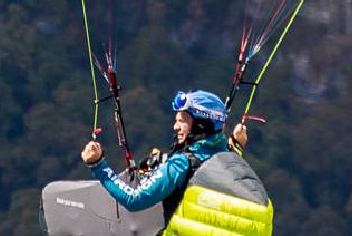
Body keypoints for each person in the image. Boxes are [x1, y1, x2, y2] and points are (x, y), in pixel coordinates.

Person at [80, 89, 249, 212]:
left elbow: (134, 199)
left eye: (182, 121)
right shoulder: (228, 157)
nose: (175, 127)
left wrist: (98, 165)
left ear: (201, 125)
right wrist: (237, 145)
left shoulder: (181, 164)